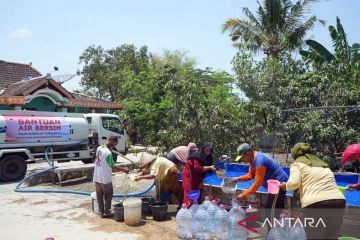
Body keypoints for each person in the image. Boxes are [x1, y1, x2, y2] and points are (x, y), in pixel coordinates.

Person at [280, 142, 346, 239]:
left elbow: (294, 183)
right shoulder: (323, 164)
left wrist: (285, 186)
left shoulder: (297, 164)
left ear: (295, 155)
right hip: (338, 202)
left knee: (315, 236)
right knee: (332, 237)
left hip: (316, 205)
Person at [231, 143, 288, 211]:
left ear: (248, 153)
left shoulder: (259, 162)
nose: (242, 160)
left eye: (242, 157)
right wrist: (238, 179)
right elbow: (251, 175)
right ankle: (278, 219)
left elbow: (258, 183)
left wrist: (244, 195)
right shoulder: (252, 160)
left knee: (271, 208)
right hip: (273, 184)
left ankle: (274, 220)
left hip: (279, 183)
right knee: (277, 205)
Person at [93, 136, 129, 218]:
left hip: (97, 176)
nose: (114, 146)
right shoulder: (108, 153)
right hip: (105, 177)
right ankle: (107, 212)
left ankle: (101, 213)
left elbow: (98, 160)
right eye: (115, 144)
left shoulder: (99, 148)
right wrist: (124, 169)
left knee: (99, 195)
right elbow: (112, 166)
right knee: (109, 194)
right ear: (112, 141)